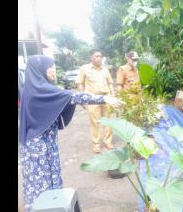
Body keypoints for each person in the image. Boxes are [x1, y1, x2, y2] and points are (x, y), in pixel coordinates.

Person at [19, 55, 122, 212]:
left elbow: (64, 97)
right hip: (38, 146)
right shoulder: (40, 89)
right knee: (41, 182)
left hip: (44, 141)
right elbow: (70, 96)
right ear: (39, 70)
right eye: (50, 67)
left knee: (49, 177)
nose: (53, 70)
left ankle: (52, 206)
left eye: (53, 66)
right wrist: (103, 98)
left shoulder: (35, 87)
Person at [76, 49, 115, 153]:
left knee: (109, 121)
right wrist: (83, 100)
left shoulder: (105, 69)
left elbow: (110, 83)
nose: (99, 58)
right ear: (91, 57)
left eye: (100, 56)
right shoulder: (85, 68)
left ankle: (108, 142)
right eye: (97, 56)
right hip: (92, 99)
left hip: (106, 98)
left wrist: (112, 95)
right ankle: (96, 144)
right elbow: (80, 84)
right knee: (95, 122)